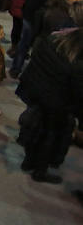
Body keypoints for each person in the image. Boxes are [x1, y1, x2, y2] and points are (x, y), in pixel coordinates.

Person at [15, 26, 83, 183]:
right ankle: (40, 170)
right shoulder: (77, 64)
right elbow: (78, 92)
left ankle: (29, 161)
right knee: (51, 137)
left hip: (38, 93)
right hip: (57, 103)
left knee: (38, 130)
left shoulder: (55, 41)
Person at [10, 0, 70, 77]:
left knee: (24, 42)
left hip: (31, 12)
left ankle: (16, 68)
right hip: (54, 17)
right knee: (45, 45)